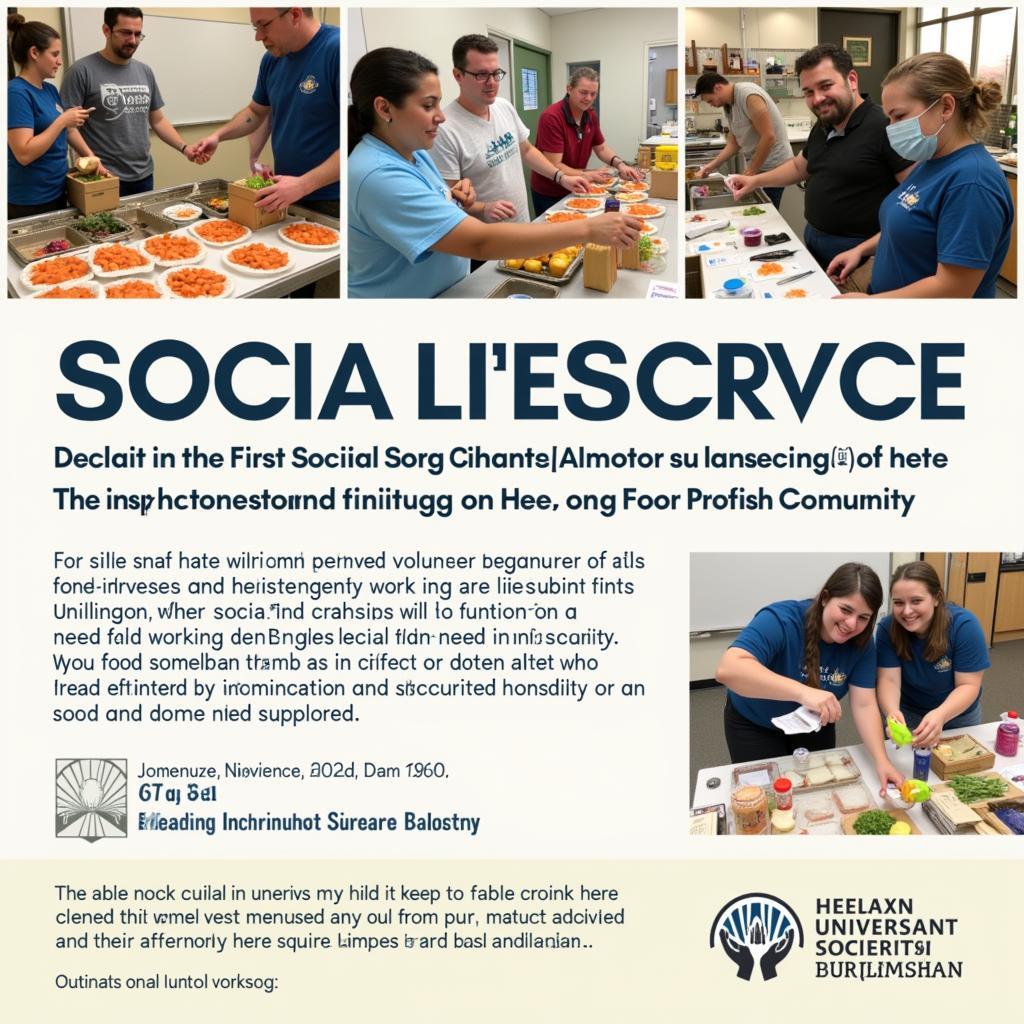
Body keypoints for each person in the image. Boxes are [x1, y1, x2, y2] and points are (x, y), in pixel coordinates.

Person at [348, 48, 640, 299]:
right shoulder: (378, 174)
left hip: (452, 288)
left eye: (438, 102)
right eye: (428, 105)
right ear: (384, 108)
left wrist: (453, 195)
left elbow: (433, 201)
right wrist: (588, 229)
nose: (441, 115)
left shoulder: (415, 150)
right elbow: (479, 241)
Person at [828, 53, 1014, 299]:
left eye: (900, 116)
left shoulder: (972, 183)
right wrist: (861, 249)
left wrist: (870, 304)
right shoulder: (931, 162)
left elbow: (953, 289)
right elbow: (911, 223)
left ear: (946, 107)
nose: (891, 128)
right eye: (889, 118)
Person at [715, 562, 902, 795]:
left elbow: (864, 704)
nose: (852, 624)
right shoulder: (781, 620)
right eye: (845, 610)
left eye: (863, 617)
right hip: (755, 724)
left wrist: (881, 760)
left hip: (813, 725)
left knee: (817, 793)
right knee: (764, 797)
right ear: (825, 598)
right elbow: (727, 669)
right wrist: (803, 692)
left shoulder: (862, 642)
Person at [726, 44, 914, 273]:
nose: (817, 99)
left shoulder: (885, 126)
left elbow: (915, 199)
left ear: (852, 80)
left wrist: (868, 247)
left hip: (859, 253)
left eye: (826, 86)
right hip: (814, 238)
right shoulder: (825, 123)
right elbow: (799, 167)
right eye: (808, 92)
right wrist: (754, 181)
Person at [191, 8, 340, 217]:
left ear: (295, 15)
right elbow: (255, 112)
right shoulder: (272, 59)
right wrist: (218, 136)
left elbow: (355, 144)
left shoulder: (336, 50)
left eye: (264, 25)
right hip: (285, 192)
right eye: (255, 27)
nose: (258, 36)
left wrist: (303, 185)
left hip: (332, 200)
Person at [432, 35, 589, 229]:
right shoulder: (445, 129)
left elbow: (526, 150)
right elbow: (449, 197)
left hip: (521, 221)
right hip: (486, 237)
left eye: (496, 73)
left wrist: (561, 177)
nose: (492, 83)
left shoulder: (503, 106)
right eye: (481, 75)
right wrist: (482, 208)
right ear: (458, 75)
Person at [60, 8, 196, 196]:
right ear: (106, 30)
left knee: (141, 225)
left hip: (144, 175)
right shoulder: (80, 71)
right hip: (102, 177)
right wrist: (91, 158)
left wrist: (185, 148)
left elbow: (157, 120)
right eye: (125, 33)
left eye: (138, 34)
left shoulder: (145, 71)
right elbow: (68, 127)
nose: (132, 40)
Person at [876, 561, 989, 749]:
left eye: (916, 601)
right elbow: (889, 680)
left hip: (957, 716)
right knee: (907, 770)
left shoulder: (964, 627)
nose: (907, 611)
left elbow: (968, 685)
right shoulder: (887, 629)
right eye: (898, 603)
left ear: (937, 598)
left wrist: (941, 714)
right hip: (909, 714)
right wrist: (892, 712)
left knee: (960, 772)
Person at [7, 15, 106, 219]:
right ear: (34, 53)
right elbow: (24, 154)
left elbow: (69, 130)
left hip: (58, 190)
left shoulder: (50, 90)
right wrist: (62, 120)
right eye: (55, 54)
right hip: (30, 201)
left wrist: (92, 158)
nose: (60, 61)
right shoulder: (15, 93)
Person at [530, 67, 645, 216]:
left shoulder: (590, 115)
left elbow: (601, 148)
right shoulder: (552, 117)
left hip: (577, 186)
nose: (589, 98)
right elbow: (554, 164)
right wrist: (587, 174)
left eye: (593, 94)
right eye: (583, 92)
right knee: (555, 233)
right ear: (569, 89)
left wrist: (621, 165)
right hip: (551, 191)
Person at [692, 72, 793, 209]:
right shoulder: (728, 106)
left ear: (718, 88)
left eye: (710, 100)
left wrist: (749, 173)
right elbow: (734, 144)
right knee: (756, 210)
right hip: (758, 166)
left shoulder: (748, 96)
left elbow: (768, 137)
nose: (711, 105)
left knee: (767, 211)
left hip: (773, 166)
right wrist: (711, 166)